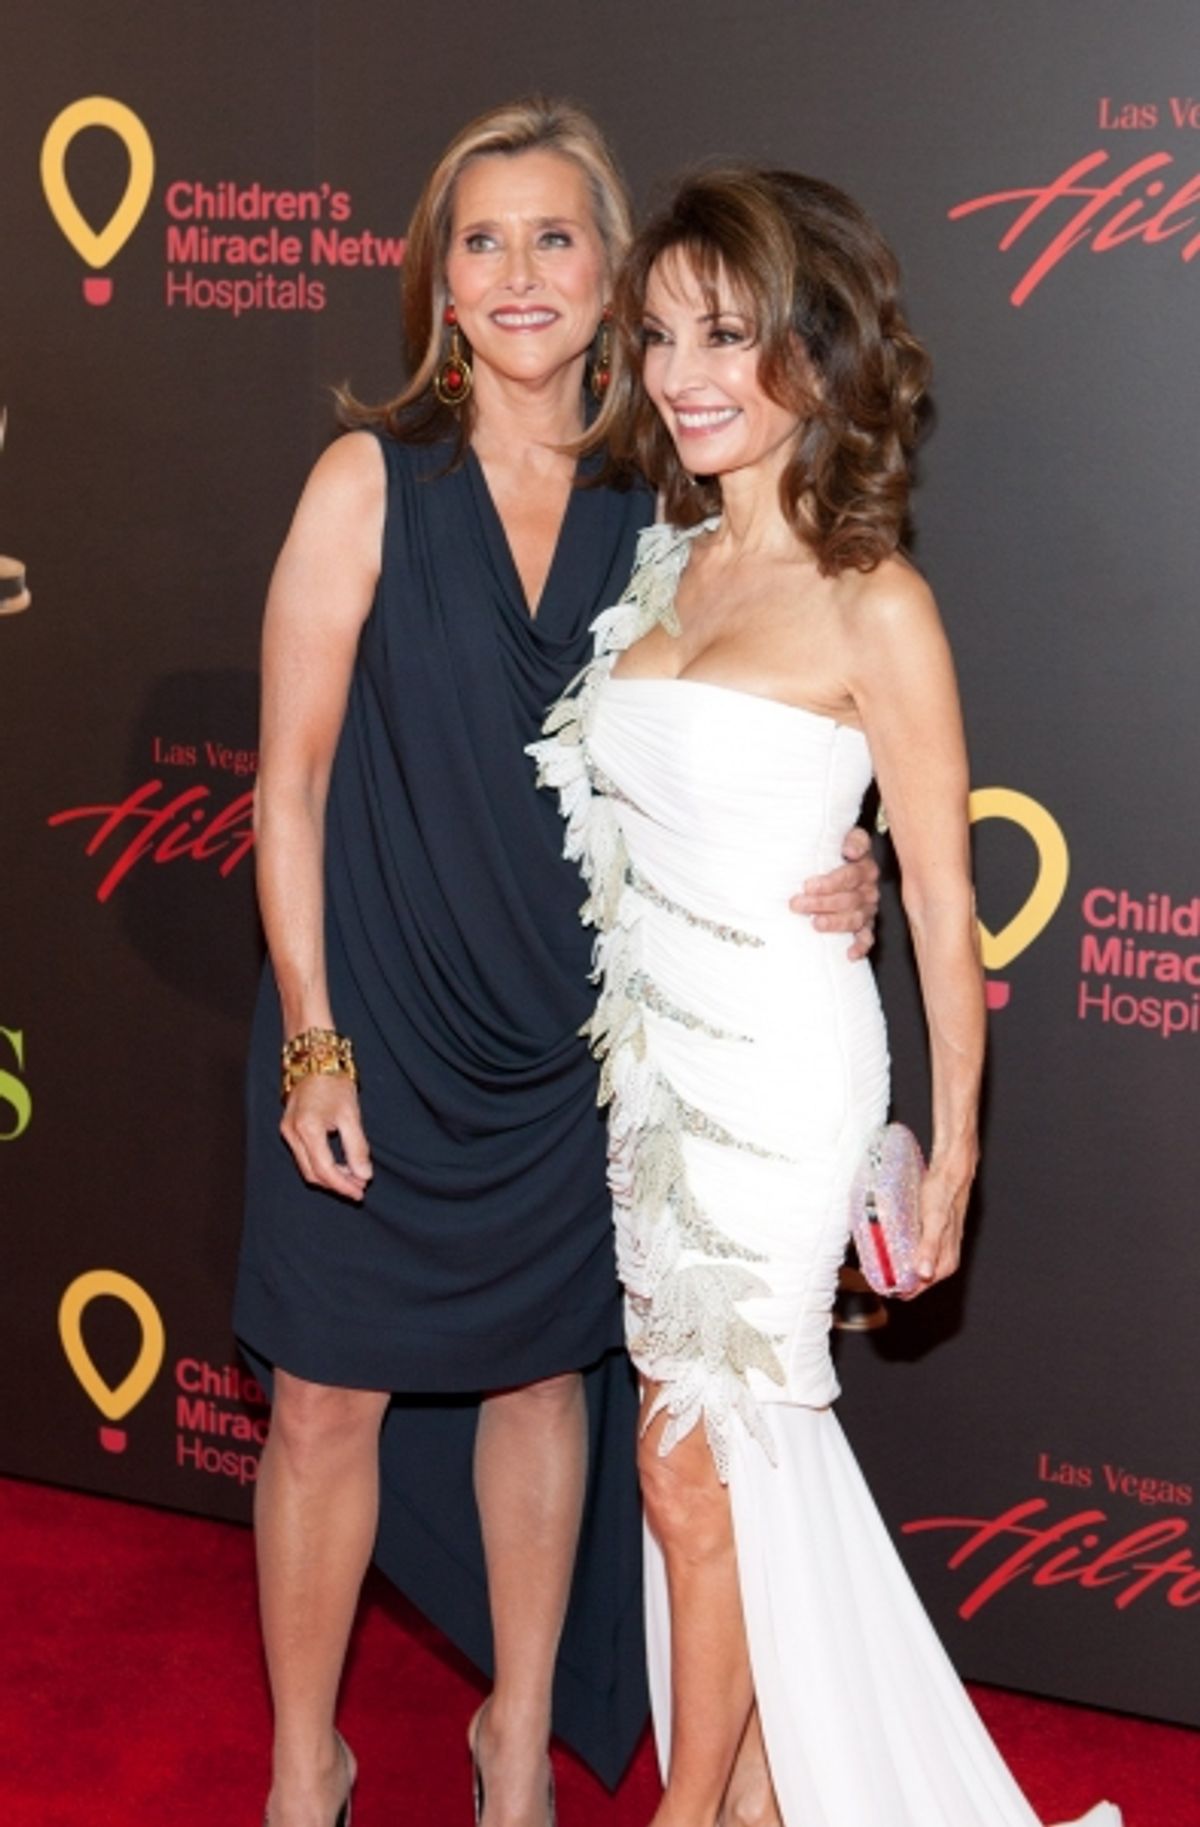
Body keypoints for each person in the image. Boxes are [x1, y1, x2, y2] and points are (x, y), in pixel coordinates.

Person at [233, 106, 880, 1827]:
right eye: (481, 241)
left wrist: (853, 851)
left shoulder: (664, 513)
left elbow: (781, 707)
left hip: (568, 1045)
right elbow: (285, 785)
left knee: (541, 1382)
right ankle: (310, 1762)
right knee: (318, 1408)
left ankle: (513, 1741)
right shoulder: (367, 479)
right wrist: (312, 1036)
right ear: (440, 287)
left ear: (614, 289)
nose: (518, 274)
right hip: (365, 1016)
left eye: (555, 240)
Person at [532, 168, 1121, 1827]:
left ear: (815, 346)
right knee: (713, 1471)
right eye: (656, 336)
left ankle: (691, 1816)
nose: (682, 372)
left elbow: (942, 895)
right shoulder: (666, 567)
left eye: (726, 332)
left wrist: (954, 1153)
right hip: (656, 1093)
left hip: (789, 1087)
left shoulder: (881, 601)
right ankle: (773, 1799)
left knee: (688, 1464)